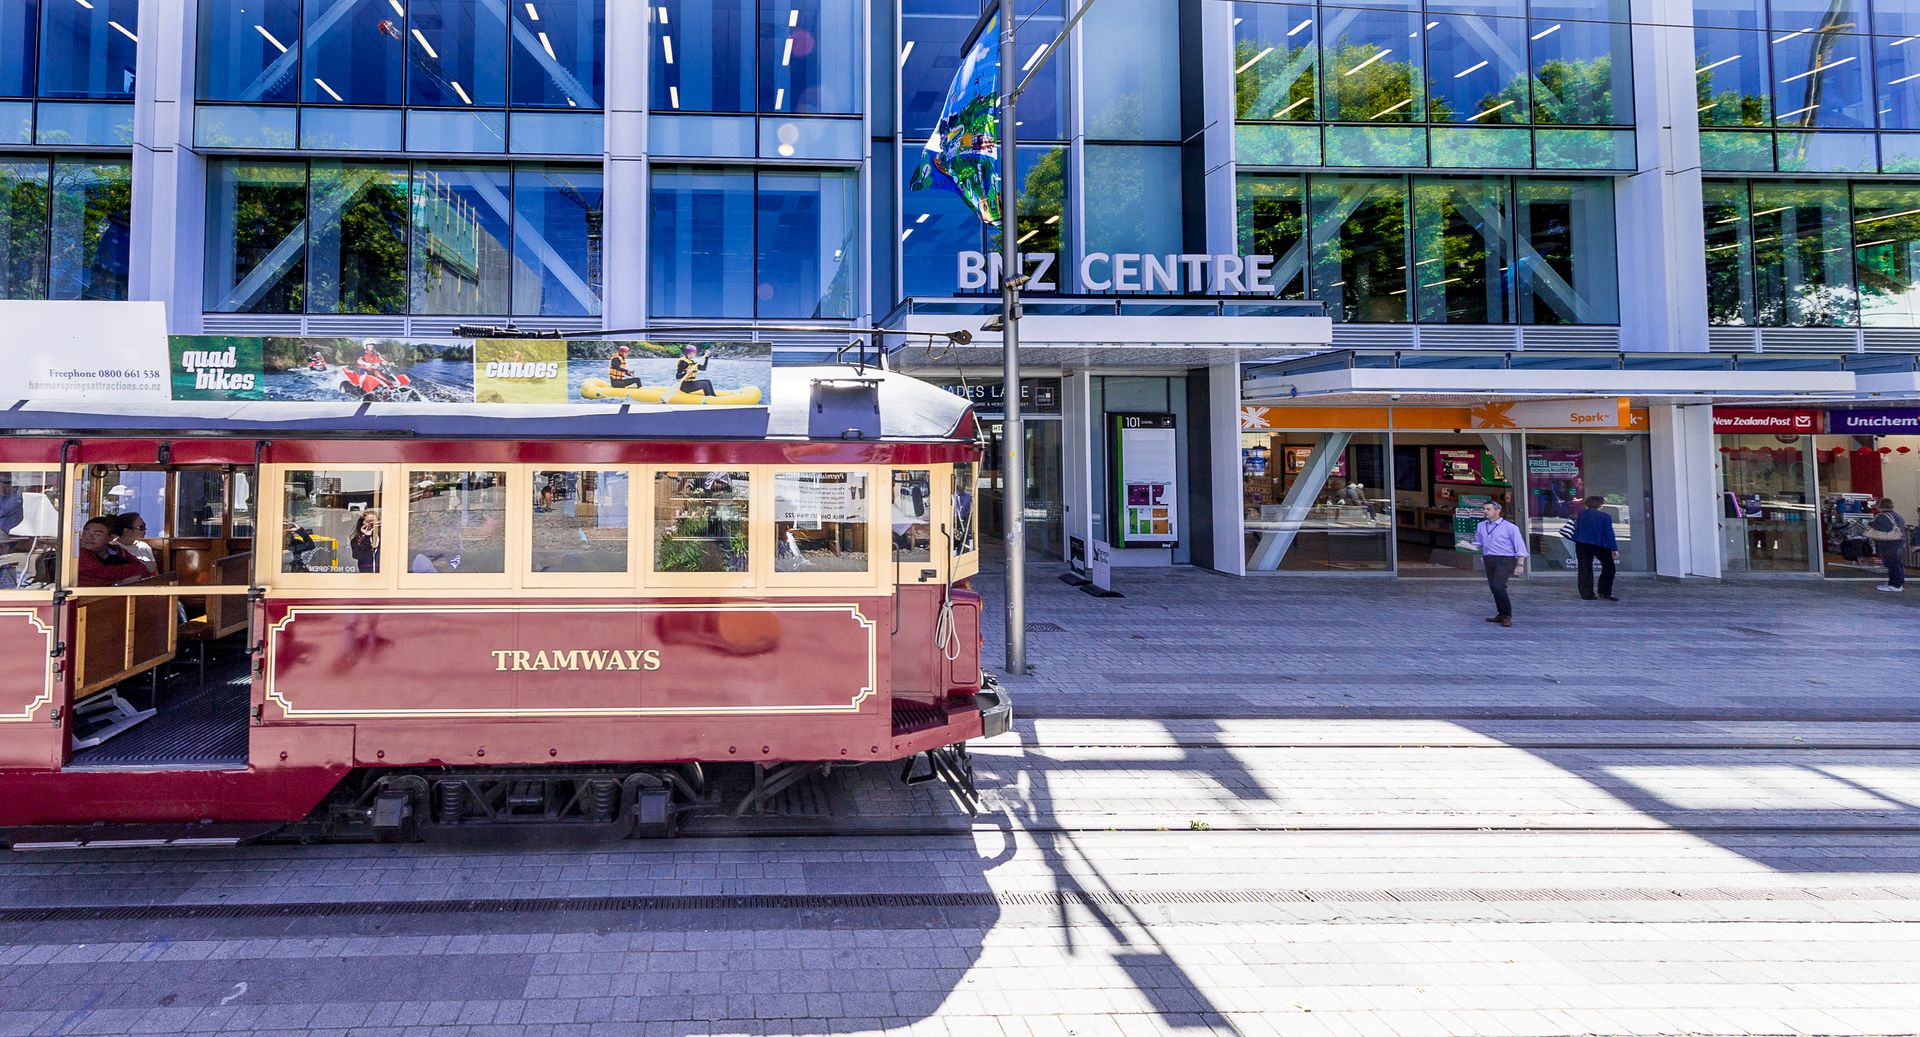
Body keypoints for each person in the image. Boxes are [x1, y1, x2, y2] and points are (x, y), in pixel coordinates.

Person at [1471, 499, 1526, 627]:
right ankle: (1501, 613)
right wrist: (1469, 546)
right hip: (1489, 559)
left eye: (1488, 509)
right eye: (1484, 509)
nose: (1485, 511)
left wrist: (1520, 564)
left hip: (1505, 559)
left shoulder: (1510, 527)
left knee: (1498, 586)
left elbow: (1520, 547)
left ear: (1498, 510)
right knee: (1494, 588)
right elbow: (1478, 542)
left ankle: (1507, 615)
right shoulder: (1481, 525)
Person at [77, 516, 151, 587]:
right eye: (86, 533)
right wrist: (141, 568)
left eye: (98, 534)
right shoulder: (78, 553)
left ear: (111, 537)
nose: (89, 537)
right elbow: (104, 573)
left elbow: (141, 567)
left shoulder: (117, 550)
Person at [1571, 495, 1620, 602]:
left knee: (1584, 568)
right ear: (1600, 504)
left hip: (1582, 544)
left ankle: (1586, 593)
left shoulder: (1580, 514)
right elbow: (1609, 533)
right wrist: (1614, 548)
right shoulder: (1605, 516)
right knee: (1609, 567)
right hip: (1600, 544)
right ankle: (1604, 591)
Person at [1865, 497, 1909, 593]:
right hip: (1899, 542)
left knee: (1892, 563)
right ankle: (1897, 583)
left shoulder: (1883, 516)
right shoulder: (1897, 516)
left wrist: (1871, 523)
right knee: (1897, 563)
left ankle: (1895, 585)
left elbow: (1879, 527)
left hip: (1889, 543)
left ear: (1879, 506)